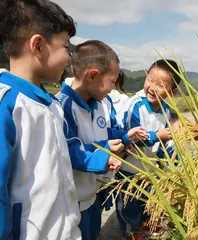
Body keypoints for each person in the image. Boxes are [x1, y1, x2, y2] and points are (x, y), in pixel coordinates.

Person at [0, 0, 82, 239]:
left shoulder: (52, 104)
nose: (69, 57)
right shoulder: (8, 104)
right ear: (37, 46)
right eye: (66, 47)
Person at [56, 40, 148, 240]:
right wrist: (104, 158)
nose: (115, 87)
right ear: (93, 76)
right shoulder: (63, 108)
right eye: (113, 80)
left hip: (93, 195)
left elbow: (103, 134)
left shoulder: (99, 104)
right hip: (74, 202)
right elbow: (69, 150)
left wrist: (124, 137)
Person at [116, 59, 182, 238]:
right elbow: (130, 139)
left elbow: (164, 143)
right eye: (149, 80)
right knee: (128, 204)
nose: (152, 87)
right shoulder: (135, 105)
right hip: (129, 169)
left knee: (146, 201)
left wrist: (167, 163)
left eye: (160, 85)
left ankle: (145, 225)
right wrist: (157, 135)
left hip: (149, 171)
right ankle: (130, 232)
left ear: (172, 91)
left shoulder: (166, 111)